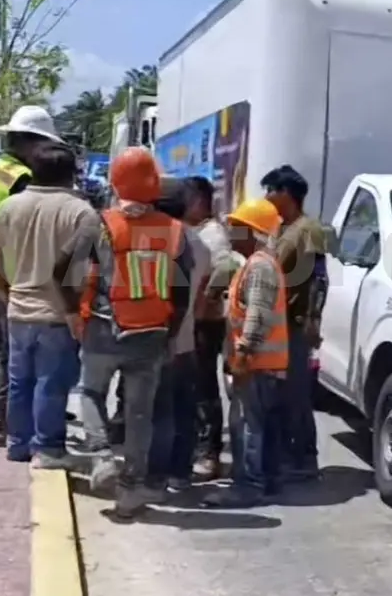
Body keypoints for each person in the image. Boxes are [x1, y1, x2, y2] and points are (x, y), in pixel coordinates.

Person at [71, 149, 194, 517]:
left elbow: (72, 274)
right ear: (154, 184)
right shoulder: (175, 232)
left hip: (103, 327)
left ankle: (102, 454)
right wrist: (171, 333)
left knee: (92, 392)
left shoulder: (99, 224)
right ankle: (130, 491)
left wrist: (73, 315)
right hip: (152, 333)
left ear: (115, 183)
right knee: (141, 414)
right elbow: (182, 292)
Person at [0, 142, 94, 468]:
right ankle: (49, 449)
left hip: (18, 309)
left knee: (20, 382)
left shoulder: (11, 206)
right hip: (58, 314)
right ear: (71, 175)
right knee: (52, 384)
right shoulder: (80, 212)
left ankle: (18, 445)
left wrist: (1, 285)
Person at [0, 105, 63, 446]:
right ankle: (2, 427)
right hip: (8, 275)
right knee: (12, 355)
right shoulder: (21, 178)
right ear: (31, 142)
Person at [202, 198, 288, 509]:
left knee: (246, 425)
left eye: (236, 227)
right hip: (264, 362)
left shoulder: (260, 266)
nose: (230, 233)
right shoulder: (257, 264)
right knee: (261, 424)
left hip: (257, 362)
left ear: (252, 231)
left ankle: (248, 486)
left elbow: (257, 315)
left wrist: (244, 352)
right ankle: (268, 481)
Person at [260, 165, 330, 482]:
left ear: (285, 193)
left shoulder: (307, 229)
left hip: (296, 322)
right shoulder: (280, 228)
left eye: (270, 190)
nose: (266, 196)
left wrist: (313, 319)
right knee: (279, 392)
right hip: (277, 322)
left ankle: (305, 457)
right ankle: (287, 452)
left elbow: (319, 278)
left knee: (297, 393)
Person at [146, 177, 212, 493]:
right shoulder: (201, 245)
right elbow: (199, 302)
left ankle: (155, 474)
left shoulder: (153, 240)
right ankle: (180, 473)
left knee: (159, 411)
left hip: (156, 338)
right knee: (184, 410)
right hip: (187, 339)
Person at [178, 176, 235, 481]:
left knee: (203, 387)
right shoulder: (196, 231)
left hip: (205, 323)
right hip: (193, 321)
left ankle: (209, 451)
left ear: (199, 201)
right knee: (191, 386)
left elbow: (226, 267)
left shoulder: (212, 234)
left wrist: (207, 298)